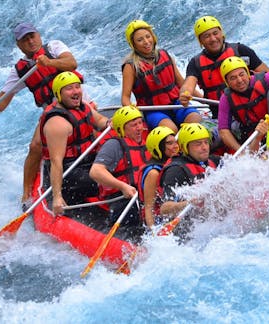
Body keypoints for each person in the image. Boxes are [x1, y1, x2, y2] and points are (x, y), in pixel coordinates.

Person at [0, 22, 88, 209]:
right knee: (35, 145)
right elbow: (3, 100)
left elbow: (71, 63)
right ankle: (26, 195)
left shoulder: (54, 47)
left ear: (38, 35)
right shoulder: (20, 70)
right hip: (53, 110)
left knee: (94, 131)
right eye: (25, 40)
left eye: (32, 36)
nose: (30, 41)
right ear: (19, 45)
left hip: (79, 101)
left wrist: (49, 62)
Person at [39, 72, 109, 218]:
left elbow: (101, 121)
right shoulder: (57, 123)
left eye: (77, 87)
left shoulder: (83, 107)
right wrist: (57, 196)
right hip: (69, 170)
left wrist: (111, 123)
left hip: (88, 160)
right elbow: (56, 162)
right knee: (106, 181)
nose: (76, 91)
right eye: (69, 88)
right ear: (58, 94)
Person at [178, 15, 269, 118]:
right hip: (221, 114)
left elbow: (268, 75)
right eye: (206, 36)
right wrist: (184, 94)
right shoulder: (195, 63)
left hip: (251, 109)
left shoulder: (241, 51)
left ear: (221, 33)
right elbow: (188, 85)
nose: (213, 39)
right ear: (201, 41)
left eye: (215, 33)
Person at [121, 20, 201, 132]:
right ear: (133, 44)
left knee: (195, 119)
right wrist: (133, 115)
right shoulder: (130, 66)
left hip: (176, 103)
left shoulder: (165, 54)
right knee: (170, 130)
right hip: (153, 110)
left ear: (153, 37)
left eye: (148, 36)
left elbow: (182, 83)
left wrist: (203, 99)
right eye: (140, 40)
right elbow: (125, 97)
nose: (146, 42)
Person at [89, 105, 150, 234]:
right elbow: (96, 171)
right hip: (122, 198)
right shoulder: (114, 145)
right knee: (132, 217)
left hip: (143, 197)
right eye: (134, 125)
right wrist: (123, 186)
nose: (140, 128)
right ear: (122, 129)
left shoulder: (146, 143)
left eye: (140, 123)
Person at [159, 123, 220, 239]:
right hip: (188, 232)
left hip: (211, 225)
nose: (204, 147)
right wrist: (189, 203)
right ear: (185, 147)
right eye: (198, 144)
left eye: (206, 142)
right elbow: (164, 209)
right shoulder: (176, 170)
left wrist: (257, 138)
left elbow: (241, 163)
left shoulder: (212, 161)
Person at [217, 56, 269, 153]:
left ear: (247, 73)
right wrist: (241, 151)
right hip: (253, 136)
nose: (239, 80)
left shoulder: (266, 79)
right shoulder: (226, 99)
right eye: (233, 78)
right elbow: (223, 130)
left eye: (241, 74)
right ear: (227, 82)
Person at [138, 126, 180, 228]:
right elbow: (149, 208)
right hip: (158, 221)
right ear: (158, 147)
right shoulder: (153, 173)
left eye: (175, 142)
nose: (175, 146)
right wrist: (153, 233)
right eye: (169, 143)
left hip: (171, 214)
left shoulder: (174, 164)